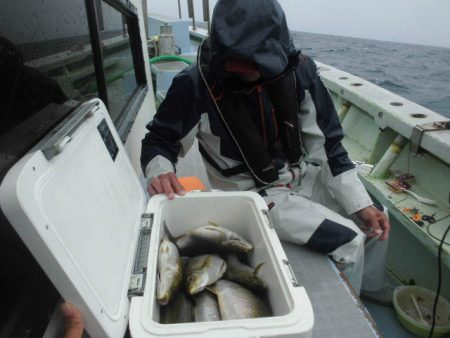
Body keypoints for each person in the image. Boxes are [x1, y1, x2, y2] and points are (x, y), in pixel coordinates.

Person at [141, 0, 391, 304]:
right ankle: (352, 309)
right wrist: (161, 170)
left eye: (257, 60)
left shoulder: (301, 71)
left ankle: (370, 287)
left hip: (303, 176)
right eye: (236, 58)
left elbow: (330, 145)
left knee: (376, 216)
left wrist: (359, 203)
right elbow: (159, 140)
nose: (246, 68)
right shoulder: (193, 86)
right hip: (257, 194)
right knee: (349, 241)